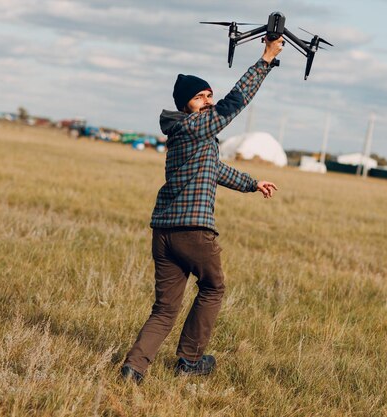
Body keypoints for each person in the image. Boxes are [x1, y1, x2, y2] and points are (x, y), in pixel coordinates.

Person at [121, 36, 284, 383]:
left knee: (165, 309)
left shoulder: (186, 135)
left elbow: (216, 170)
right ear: (186, 106)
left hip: (163, 232)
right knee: (213, 288)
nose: (209, 101)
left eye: (210, 94)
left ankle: (133, 369)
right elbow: (234, 103)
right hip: (193, 231)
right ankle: (190, 360)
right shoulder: (195, 127)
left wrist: (252, 183)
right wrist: (266, 60)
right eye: (200, 97)